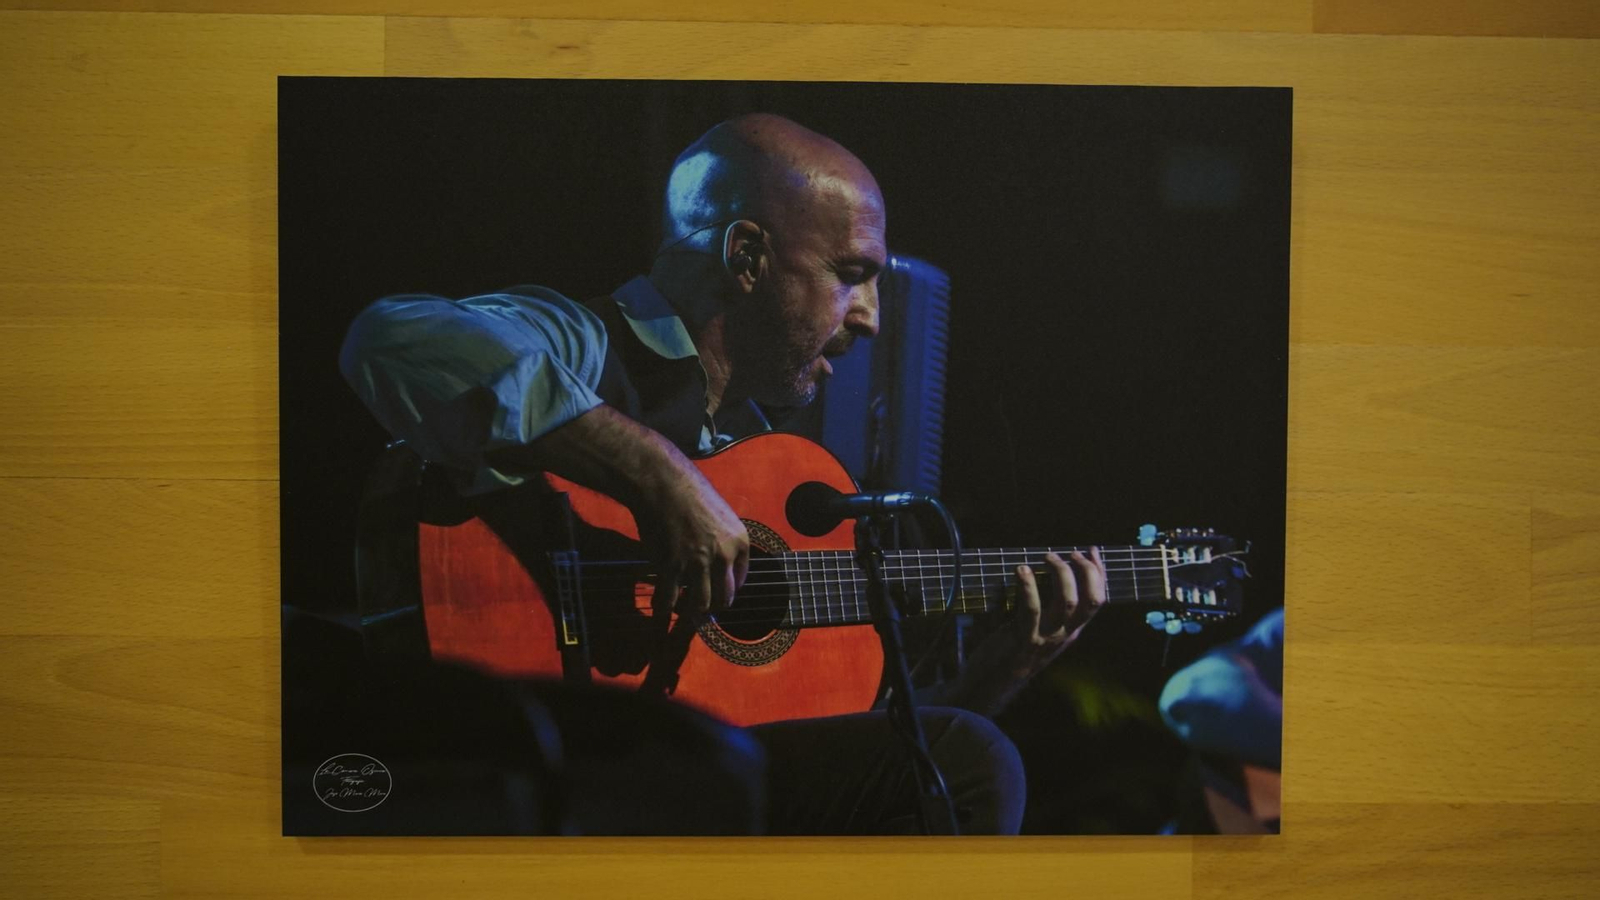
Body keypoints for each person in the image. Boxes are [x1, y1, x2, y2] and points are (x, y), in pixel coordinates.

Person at [339, 113, 1108, 834]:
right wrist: (655, 473)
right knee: (972, 758)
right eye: (851, 273)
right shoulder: (588, 342)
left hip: (672, 774)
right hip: (518, 739)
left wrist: (1002, 670)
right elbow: (390, 338)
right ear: (746, 257)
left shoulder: (767, 455)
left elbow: (866, 759)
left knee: (962, 753)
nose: (870, 314)